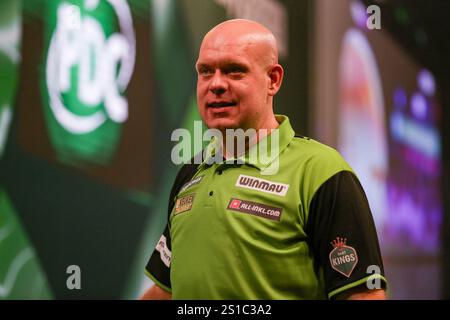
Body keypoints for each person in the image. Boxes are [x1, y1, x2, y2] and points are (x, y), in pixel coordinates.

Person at [141, 19, 387, 300]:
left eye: (234, 71)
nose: (216, 84)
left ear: (273, 80)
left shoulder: (321, 172)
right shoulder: (190, 173)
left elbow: (364, 296)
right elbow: (165, 291)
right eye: (205, 71)